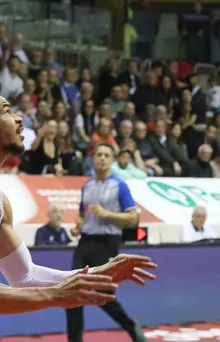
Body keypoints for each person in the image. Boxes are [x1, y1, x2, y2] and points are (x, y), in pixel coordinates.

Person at [0, 91, 157, 342]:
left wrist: (97, 274)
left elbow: (25, 276)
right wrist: (58, 295)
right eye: (7, 111)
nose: (19, 119)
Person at [67, 143, 150, 342]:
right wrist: (77, 226)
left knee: (103, 295)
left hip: (108, 242)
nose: (102, 158)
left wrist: (107, 214)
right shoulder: (87, 186)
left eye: (106, 155)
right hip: (85, 241)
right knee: (72, 292)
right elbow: (81, 214)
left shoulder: (120, 186)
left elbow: (133, 219)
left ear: (112, 160)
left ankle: (131, 326)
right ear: (93, 159)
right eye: (98, 155)